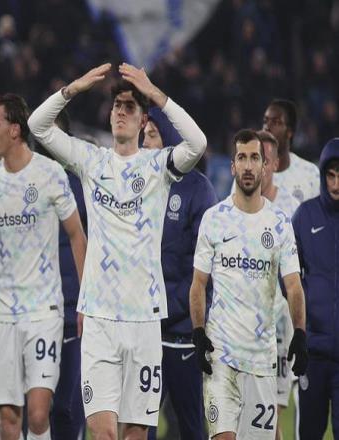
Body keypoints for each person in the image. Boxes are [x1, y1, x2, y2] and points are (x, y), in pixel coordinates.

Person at [28, 62, 207, 440]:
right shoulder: (91, 161)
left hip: (145, 320)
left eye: (130, 106)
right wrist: (74, 88)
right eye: (116, 106)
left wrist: (156, 94)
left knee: (135, 435)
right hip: (99, 318)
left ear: (143, 121)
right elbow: (37, 126)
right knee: (104, 433)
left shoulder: (159, 166)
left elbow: (197, 143)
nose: (121, 111)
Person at [0, 93, 87, 440]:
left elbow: (77, 236)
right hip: (0, 315)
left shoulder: (50, 175)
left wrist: (85, 300)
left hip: (43, 312)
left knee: (37, 414)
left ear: (15, 130)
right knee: (7, 419)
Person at [190, 129, 308, 440]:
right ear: (232, 166)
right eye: (241, 158)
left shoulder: (279, 223)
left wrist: (300, 333)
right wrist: (199, 331)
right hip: (221, 356)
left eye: (254, 158)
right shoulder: (214, 219)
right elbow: (198, 283)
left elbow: (294, 286)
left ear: (265, 166)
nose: (247, 165)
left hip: (261, 360)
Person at [143, 107, 217, 440]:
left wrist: (175, 308)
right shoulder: (138, 184)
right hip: (145, 331)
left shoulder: (198, 190)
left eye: (152, 134)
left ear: (171, 139)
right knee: (138, 425)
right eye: (144, 134)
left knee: (191, 426)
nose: (145, 141)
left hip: (183, 334)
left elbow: (206, 268)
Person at [35, 110, 87, 440]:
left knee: (67, 408)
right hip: (36, 312)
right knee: (36, 408)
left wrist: (87, 300)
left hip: (72, 311)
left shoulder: (82, 186)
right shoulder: (27, 183)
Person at [292, 138, 339, 439]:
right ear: (322, 175)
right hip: (314, 354)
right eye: (331, 175)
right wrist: (304, 313)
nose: (336, 183)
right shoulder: (305, 216)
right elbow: (288, 276)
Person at [258, 130, 300, 440]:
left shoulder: (289, 211)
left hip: (279, 322)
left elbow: (295, 277)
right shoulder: (231, 207)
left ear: (274, 164)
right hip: (242, 324)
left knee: (272, 416)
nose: (259, 166)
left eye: (265, 159)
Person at [262, 99, 320, 203]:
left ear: (289, 132)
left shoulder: (310, 174)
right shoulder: (249, 174)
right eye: (265, 121)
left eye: (276, 122)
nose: (267, 127)